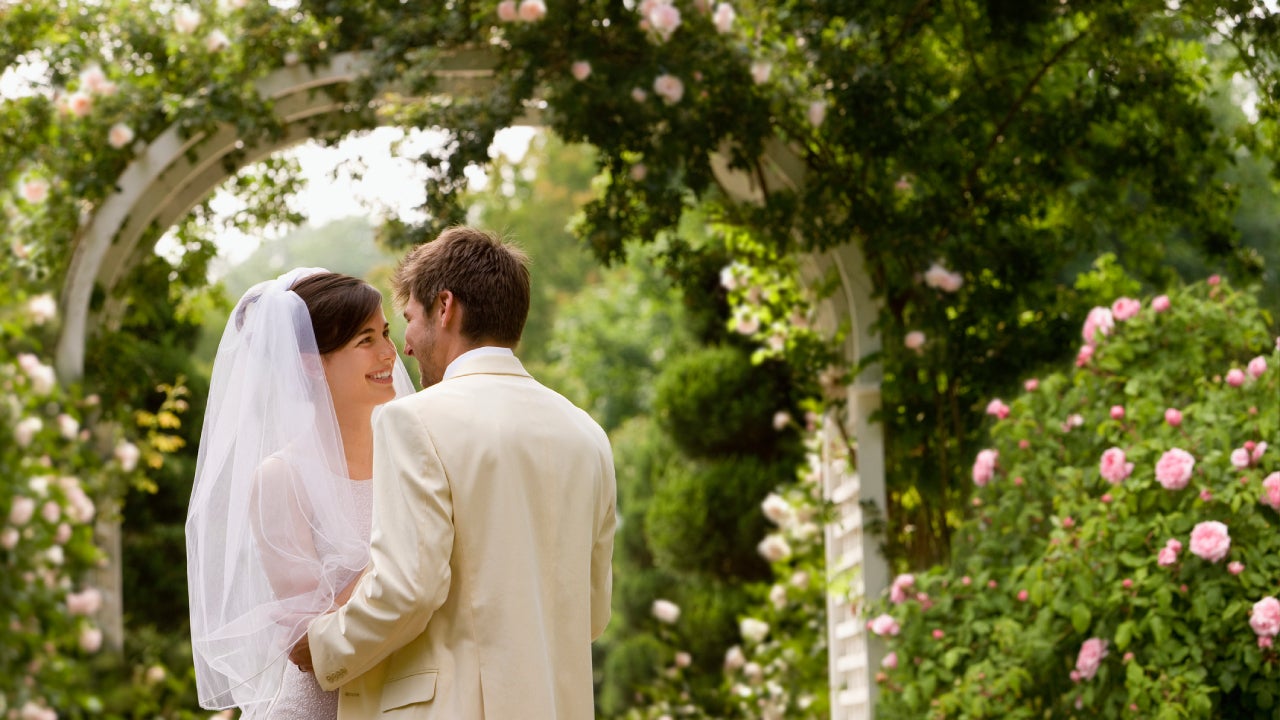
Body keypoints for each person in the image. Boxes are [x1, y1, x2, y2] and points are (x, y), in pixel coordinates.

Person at [292, 226, 617, 719]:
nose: (405, 347)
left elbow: (408, 589)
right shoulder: (588, 435)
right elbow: (592, 613)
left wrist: (322, 646)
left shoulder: (412, 419)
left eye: (410, 320)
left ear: (445, 308)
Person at [187, 269, 415, 719]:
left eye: (386, 333)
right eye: (365, 340)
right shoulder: (282, 479)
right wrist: (403, 552)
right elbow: (307, 640)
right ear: (311, 362)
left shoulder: (413, 456)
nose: (389, 352)